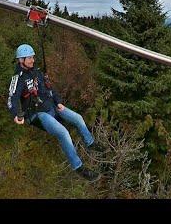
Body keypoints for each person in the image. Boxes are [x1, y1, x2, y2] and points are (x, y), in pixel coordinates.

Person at [7, 43, 103, 181]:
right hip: (37, 113)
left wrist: (58, 101)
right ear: (21, 60)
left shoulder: (37, 72)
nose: (32, 60)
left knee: (78, 118)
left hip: (51, 105)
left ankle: (91, 143)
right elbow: (12, 98)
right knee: (63, 133)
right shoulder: (18, 78)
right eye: (29, 58)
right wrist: (16, 114)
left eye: (33, 57)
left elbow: (49, 88)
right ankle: (79, 168)